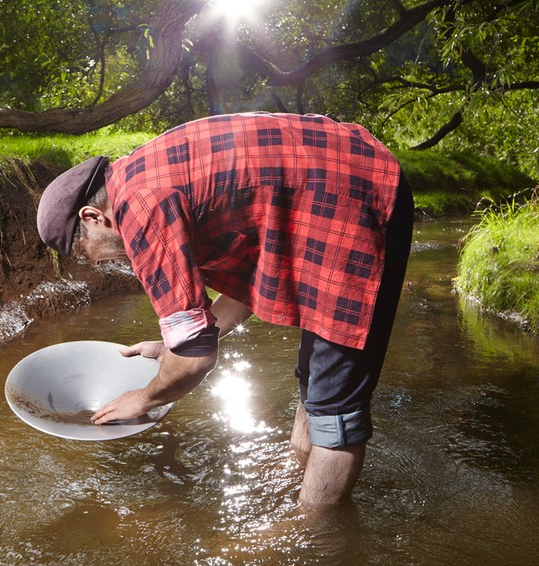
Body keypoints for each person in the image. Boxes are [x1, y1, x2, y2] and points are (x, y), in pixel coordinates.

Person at [36, 112, 414, 508]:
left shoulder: (141, 211)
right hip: (336, 181)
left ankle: (317, 533)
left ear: (93, 216)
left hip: (360, 195)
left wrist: (146, 397)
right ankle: (301, 475)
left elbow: (195, 360)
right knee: (314, 377)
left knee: (336, 404)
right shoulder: (139, 178)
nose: (97, 263)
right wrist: (173, 347)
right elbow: (247, 285)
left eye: (85, 252)